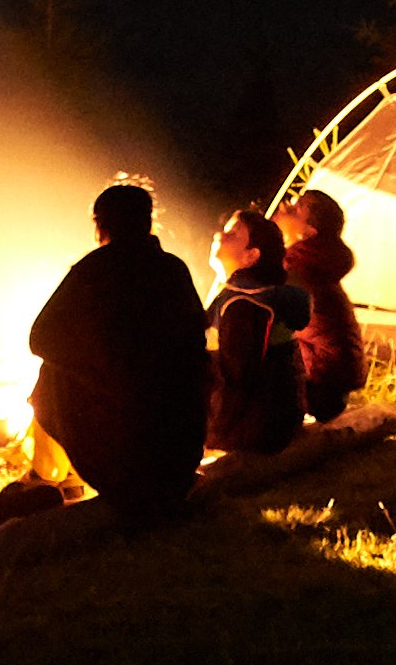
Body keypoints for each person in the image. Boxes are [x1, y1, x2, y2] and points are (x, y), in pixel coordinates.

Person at [26, 182, 211, 510]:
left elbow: (40, 337)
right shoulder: (173, 270)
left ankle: (53, 475)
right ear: (149, 222)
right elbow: (195, 341)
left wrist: (96, 370)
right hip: (181, 452)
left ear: (100, 225)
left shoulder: (93, 271)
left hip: (122, 460)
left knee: (50, 372)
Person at [202, 203, 310, 463]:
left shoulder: (244, 305)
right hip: (273, 421)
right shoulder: (248, 295)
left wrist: (209, 435)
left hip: (255, 428)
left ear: (252, 256)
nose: (220, 235)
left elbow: (239, 376)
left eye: (233, 234)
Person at [277, 186, 365, 424]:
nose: (284, 207)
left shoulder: (298, 269)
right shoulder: (312, 265)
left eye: (296, 209)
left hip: (319, 385)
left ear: (308, 233)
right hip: (332, 380)